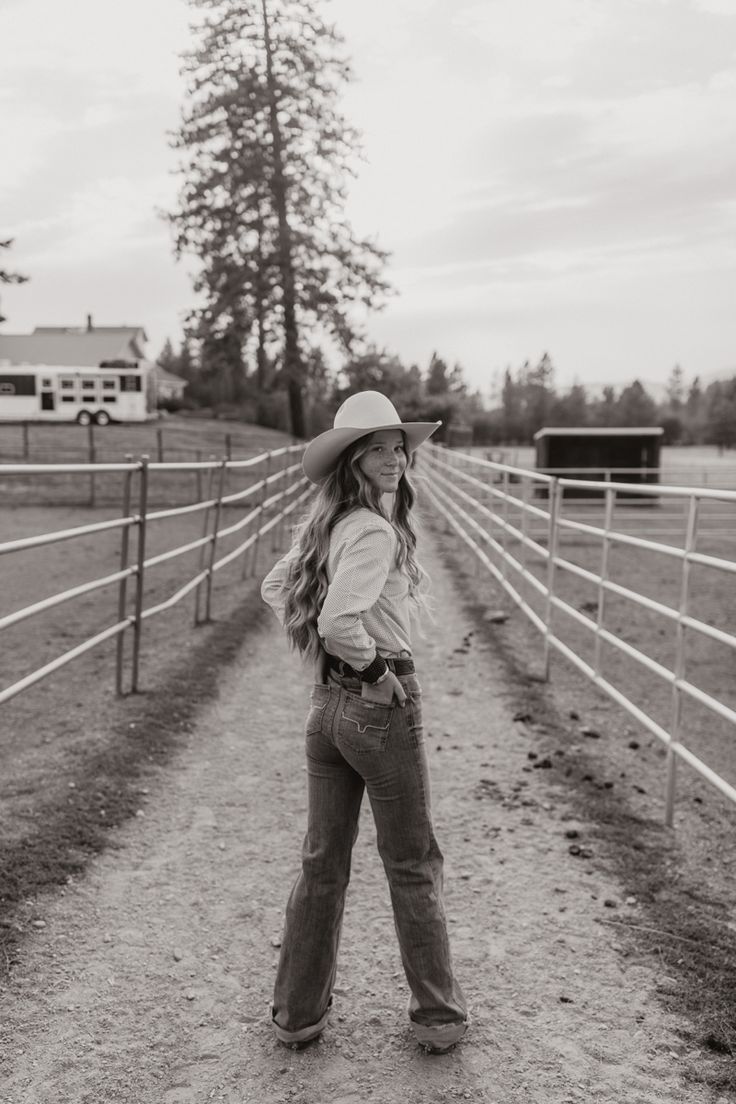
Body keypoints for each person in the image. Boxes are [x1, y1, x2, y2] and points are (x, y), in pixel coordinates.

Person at [260, 390, 468, 1054]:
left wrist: (330, 665)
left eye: (397, 445)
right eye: (376, 447)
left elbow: (276, 589)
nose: (393, 456)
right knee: (412, 862)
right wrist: (377, 676)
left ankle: (297, 1014)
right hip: (378, 706)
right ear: (353, 458)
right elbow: (337, 621)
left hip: (328, 710)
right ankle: (438, 1017)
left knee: (323, 864)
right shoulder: (373, 530)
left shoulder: (334, 523)